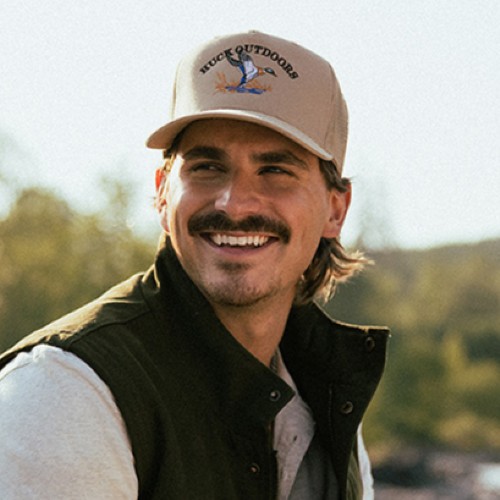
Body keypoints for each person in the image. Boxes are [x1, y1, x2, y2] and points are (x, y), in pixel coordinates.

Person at [0, 31, 389, 499]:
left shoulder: (326, 399)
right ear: (163, 194)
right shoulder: (65, 394)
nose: (236, 203)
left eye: (275, 170)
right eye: (207, 167)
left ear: (335, 209)